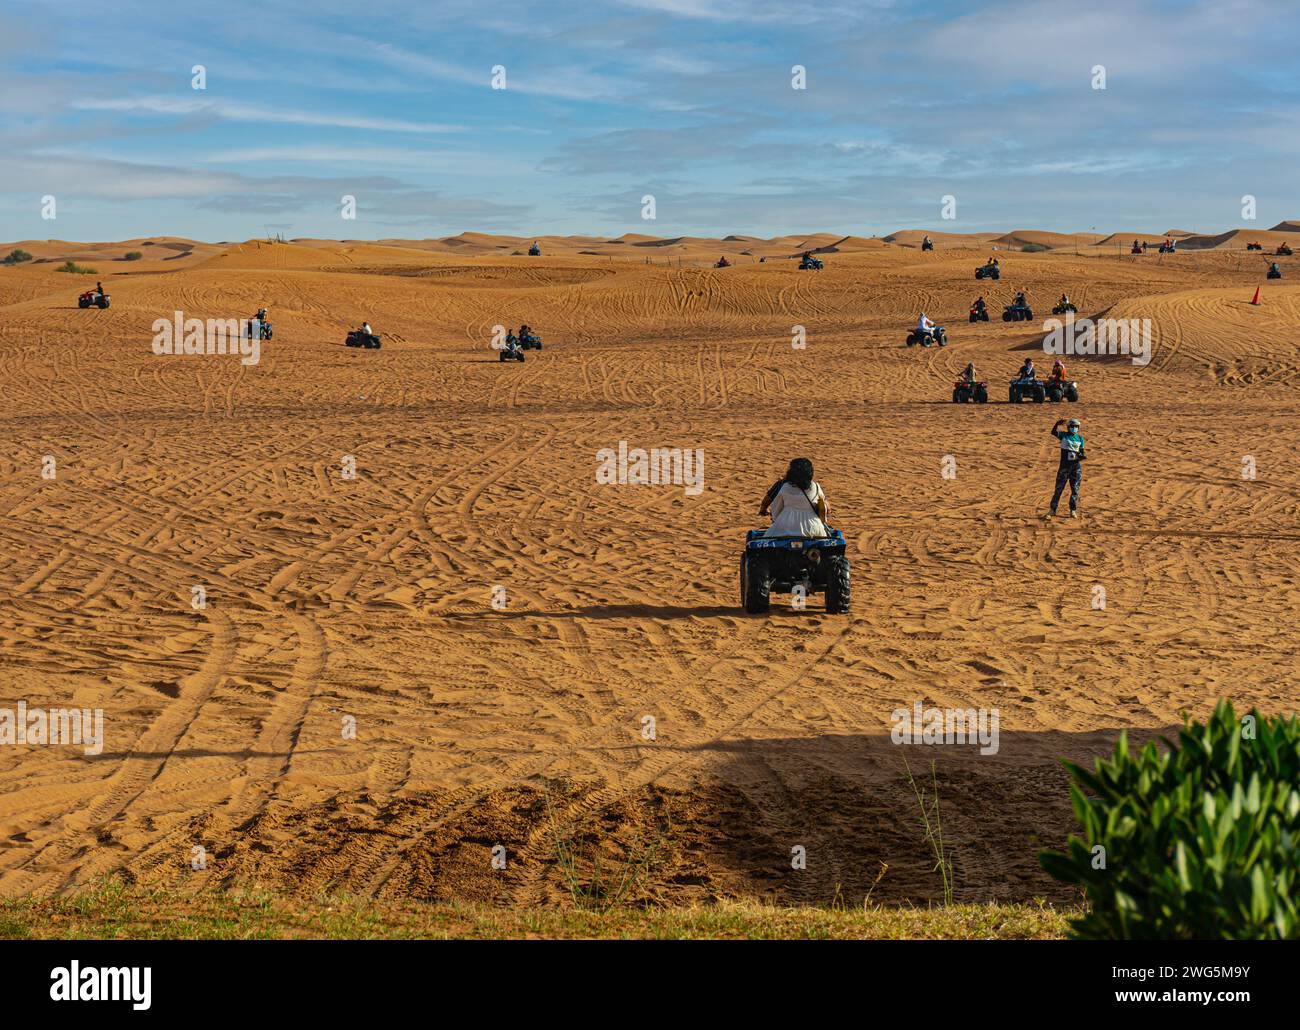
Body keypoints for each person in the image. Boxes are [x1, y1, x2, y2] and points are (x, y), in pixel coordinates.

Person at [759, 458, 828, 538]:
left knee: (768, 537)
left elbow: (776, 509)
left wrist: (775, 518)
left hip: (787, 525)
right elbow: (825, 507)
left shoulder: (784, 487)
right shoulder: (816, 487)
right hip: (812, 527)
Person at [1047, 418, 1085, 518]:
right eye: (1072, 426)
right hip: (1064, 467)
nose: (1074, 428)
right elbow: (1053, 432)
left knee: (1075, 490)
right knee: (1059, 489)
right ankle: (1052, 509)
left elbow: (1082, 452)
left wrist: (1081, 456)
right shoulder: (1063, 436)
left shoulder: (1080, 438)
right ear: (1068, 427)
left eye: (1076, 427)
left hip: (1076, 467)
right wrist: (1057, 424)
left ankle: (1073, 510)